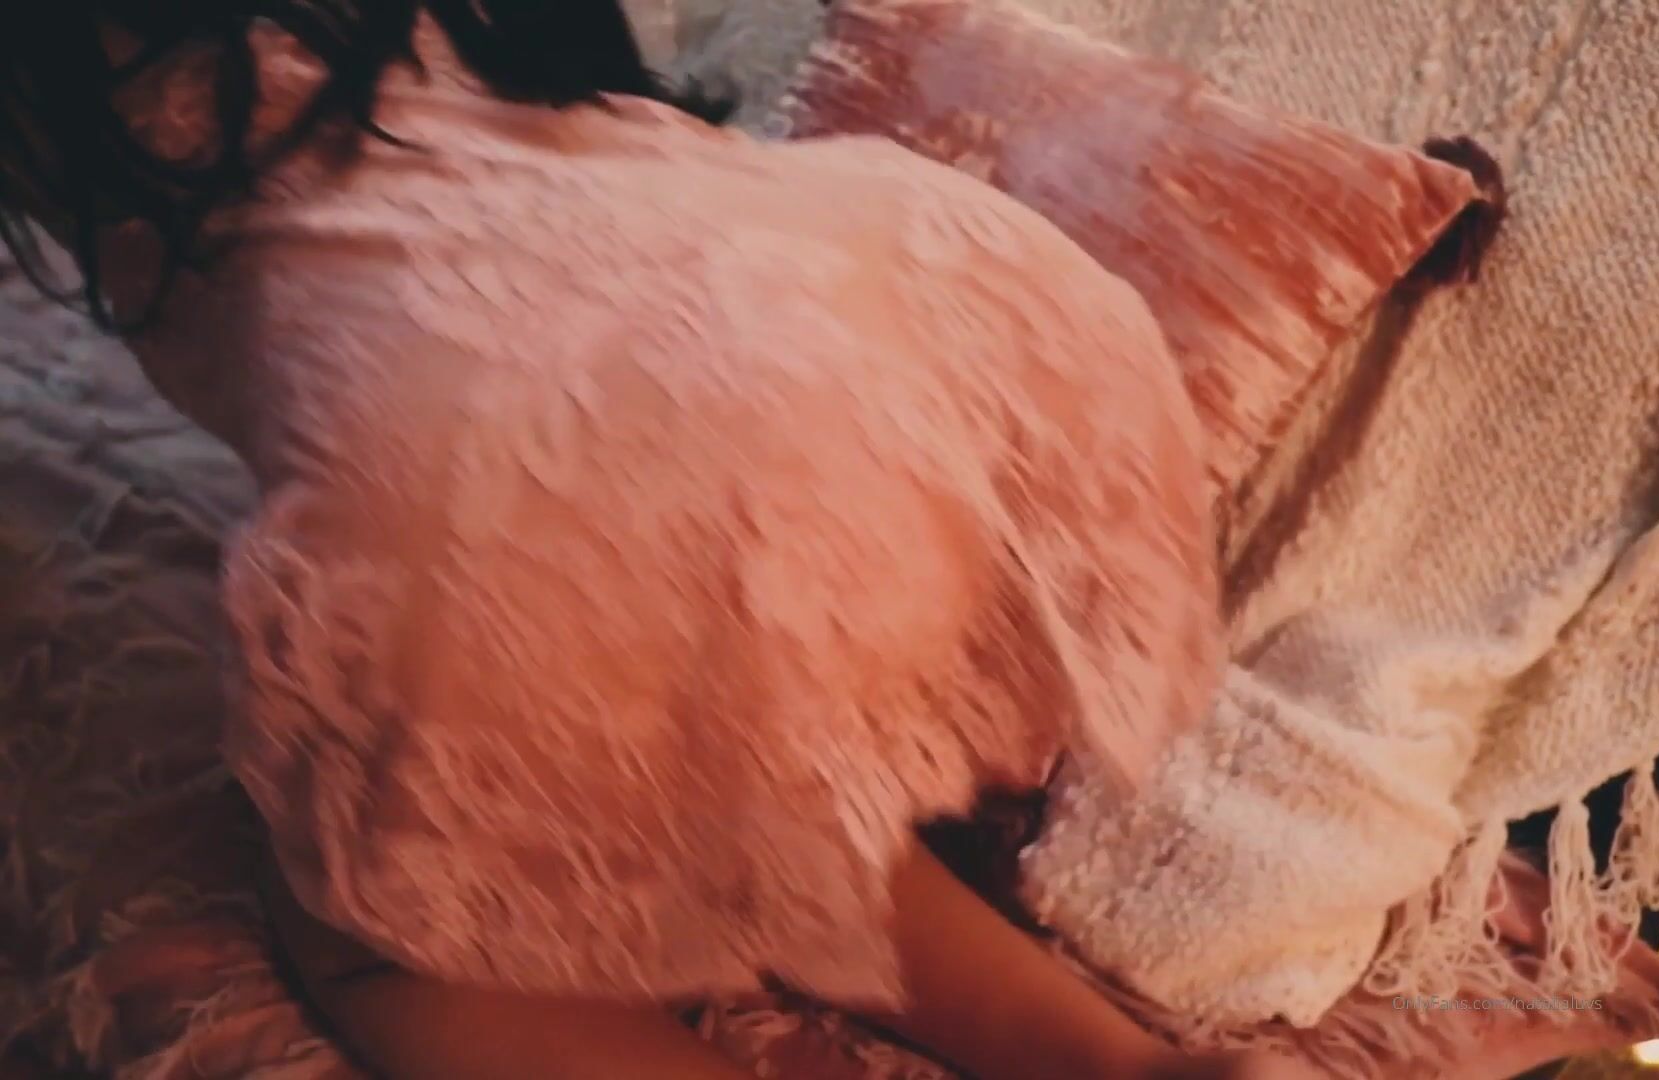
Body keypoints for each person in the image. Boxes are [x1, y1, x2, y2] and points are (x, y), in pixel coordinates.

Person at [0, 3, 1289, 1077]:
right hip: (864, 307)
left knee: (377, 932)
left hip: (482, 453)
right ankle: (1126, 1067)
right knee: (753, 798)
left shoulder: (61, 65)